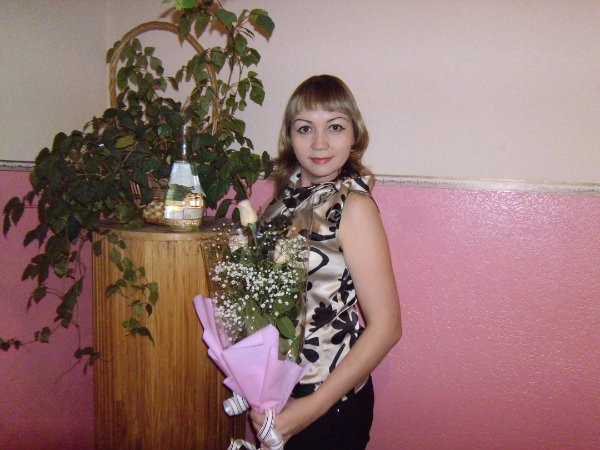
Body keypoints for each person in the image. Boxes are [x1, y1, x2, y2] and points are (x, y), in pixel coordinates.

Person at [251, 74, 402, 450]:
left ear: (354, 135)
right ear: (290, 137)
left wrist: (308, 409)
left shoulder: (353, 206)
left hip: (327, 403)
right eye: (305, 128)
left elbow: (387, 328)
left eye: (335, 127)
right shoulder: (282, 201)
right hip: (278, 393)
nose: (319, 143)